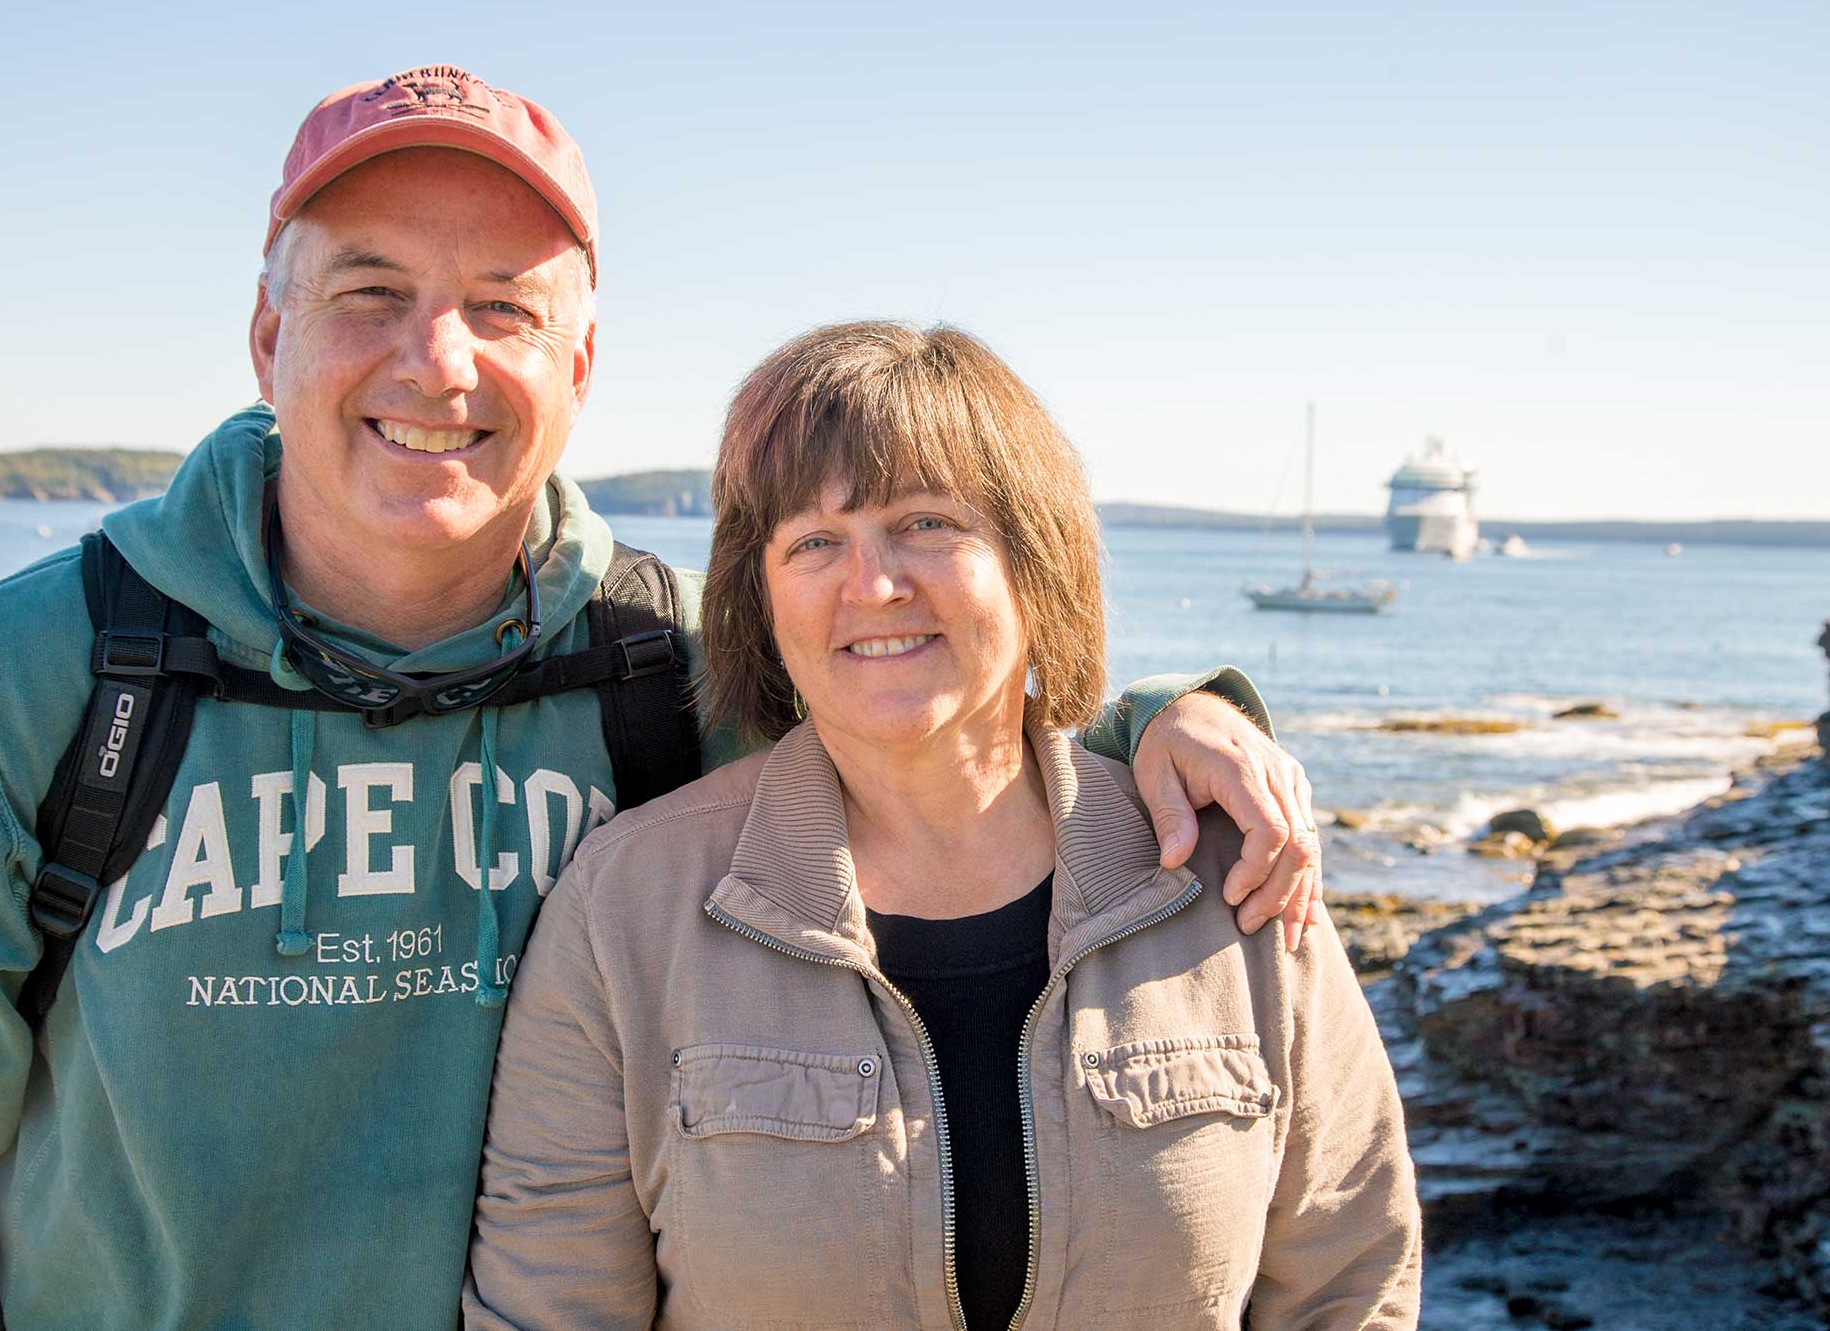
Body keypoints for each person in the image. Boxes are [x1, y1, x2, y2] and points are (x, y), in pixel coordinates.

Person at [0, 69, 1322, 1327]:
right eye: (368, 291)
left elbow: (942, 728)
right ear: (269, 338)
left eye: (504, 307)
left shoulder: (671, 668)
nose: (435, 361)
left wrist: (1163, 720)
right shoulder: (26, 685)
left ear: (582, 363)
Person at [462, 323, 1418, 1330]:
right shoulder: (625, 911)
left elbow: (1350, 1283)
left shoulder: (1231, 877)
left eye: (924, 524)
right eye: (813, 542)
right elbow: (545, 1311)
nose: (870, 585)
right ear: (763, 597)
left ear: (1033, 561)